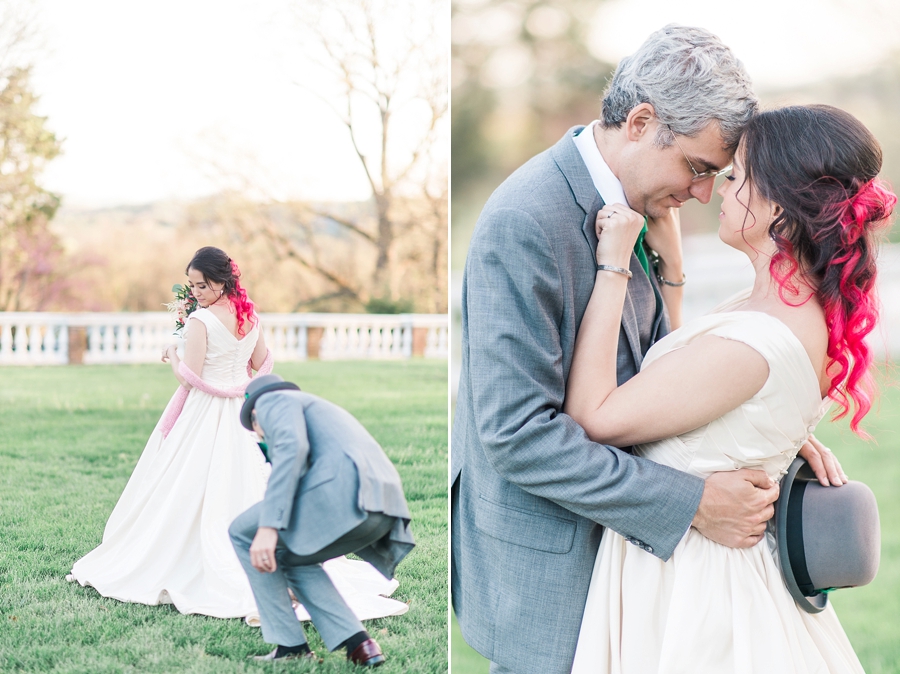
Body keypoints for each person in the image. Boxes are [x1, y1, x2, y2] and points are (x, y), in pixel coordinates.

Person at [451, 25, 843, 674]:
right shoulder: (526, 220)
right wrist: (693, 502)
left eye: (717, 175)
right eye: (696, 167)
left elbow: (653, 371)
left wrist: (746, 423)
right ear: (640, 121)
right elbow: (516, 433)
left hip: (641, 578)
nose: (701, 193)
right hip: (555, 567)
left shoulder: (640, 209)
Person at [566, 104, 893, 672]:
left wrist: (614, 264)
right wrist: (672, 270)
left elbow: (595, 416)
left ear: (781, 208)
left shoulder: (757, 342)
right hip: (700, 561)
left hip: (698, 588)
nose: (718, 190)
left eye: (737, 177)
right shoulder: (782, 309)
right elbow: (682, 379)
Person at [69, 247, 407, 623]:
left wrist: (173, 354)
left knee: (194, 481)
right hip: (243, 413)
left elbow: (192, 377)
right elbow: (265, 365)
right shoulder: (248, 315)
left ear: (222, 280)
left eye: (203, 284)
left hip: (206, 412)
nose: (196, 291)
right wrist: (241, 386)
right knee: (246, 481)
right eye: (193, 285)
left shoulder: (200, 321)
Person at [229, 374, 415, 666]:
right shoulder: (311, 407)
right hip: (379, 506)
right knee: (291, 558)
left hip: (344, 494)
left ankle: (290, 646)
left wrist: (268, 528)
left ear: (254, 415)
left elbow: (292, 449)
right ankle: (360, 644)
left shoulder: (271, 401)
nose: (259, 435)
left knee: (241, 531)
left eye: (256, 430)